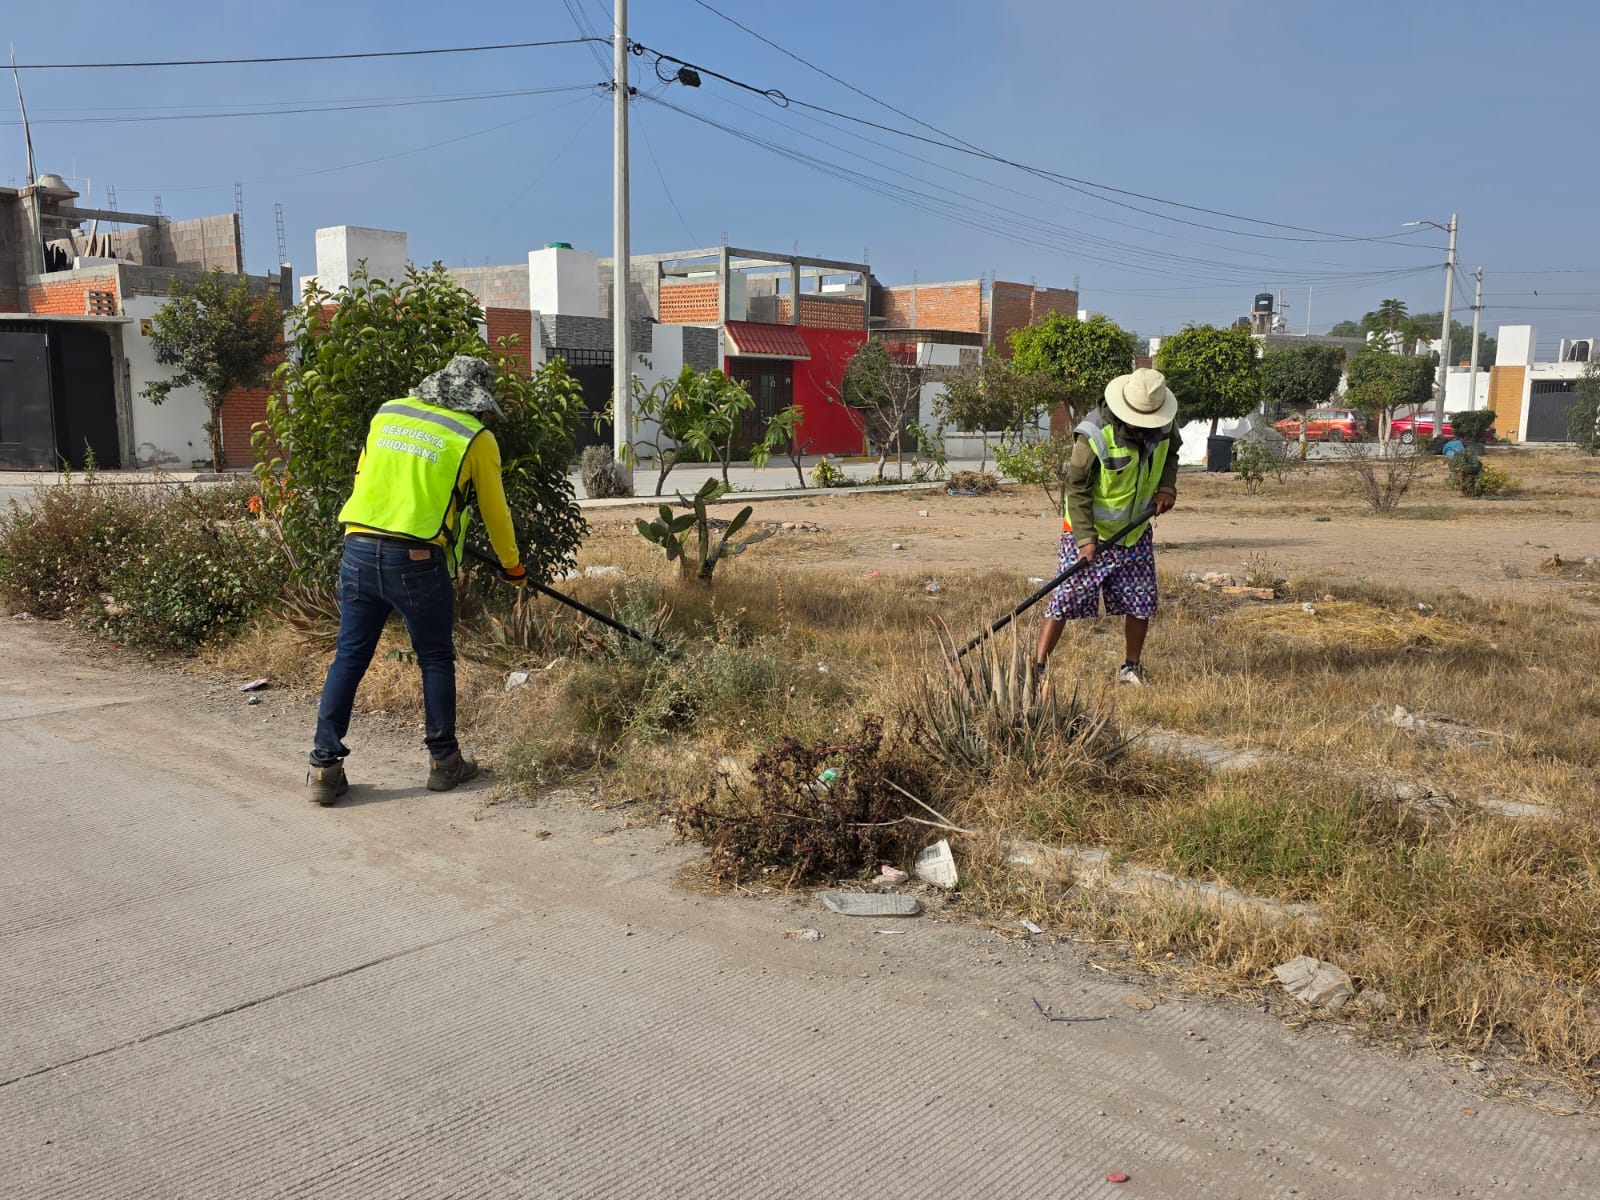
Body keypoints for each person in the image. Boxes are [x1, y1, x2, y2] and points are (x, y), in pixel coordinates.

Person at [306, 356, 527, 805]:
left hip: (359, 548)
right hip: (418, 558)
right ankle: (445, 762)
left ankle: (323, 768)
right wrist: (512, 566)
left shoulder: (389, 412)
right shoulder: (475, 438)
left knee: (348, 657)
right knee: (435, 658)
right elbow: (495, 512)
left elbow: (365, 477)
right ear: (477, 402)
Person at [1034, 367, 1181, 686]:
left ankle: (1131, 667)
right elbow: (1076, 488)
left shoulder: (1164, 424)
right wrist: (1085, 540)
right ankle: (1038, 667)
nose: (1144, 426)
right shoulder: (1094, 434)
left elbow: (1172, 454)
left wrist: (1167, 487)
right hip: (1089, 533)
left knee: (1141, 600)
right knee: (1064, 598)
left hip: (1136, 533)